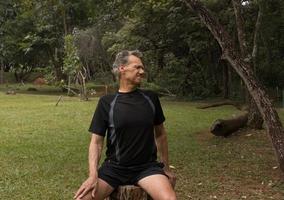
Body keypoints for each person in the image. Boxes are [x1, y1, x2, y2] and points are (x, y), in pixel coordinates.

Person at [74, 50, 177, 200]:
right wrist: (93, 175)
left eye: (142, 68)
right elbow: (96, 142)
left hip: (147, 168)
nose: (142, 71)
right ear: (122, 68)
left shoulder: (151, 98)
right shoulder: (107, 102)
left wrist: (166, 168)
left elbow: (160, 133)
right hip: (114, 168)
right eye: (137, 67)